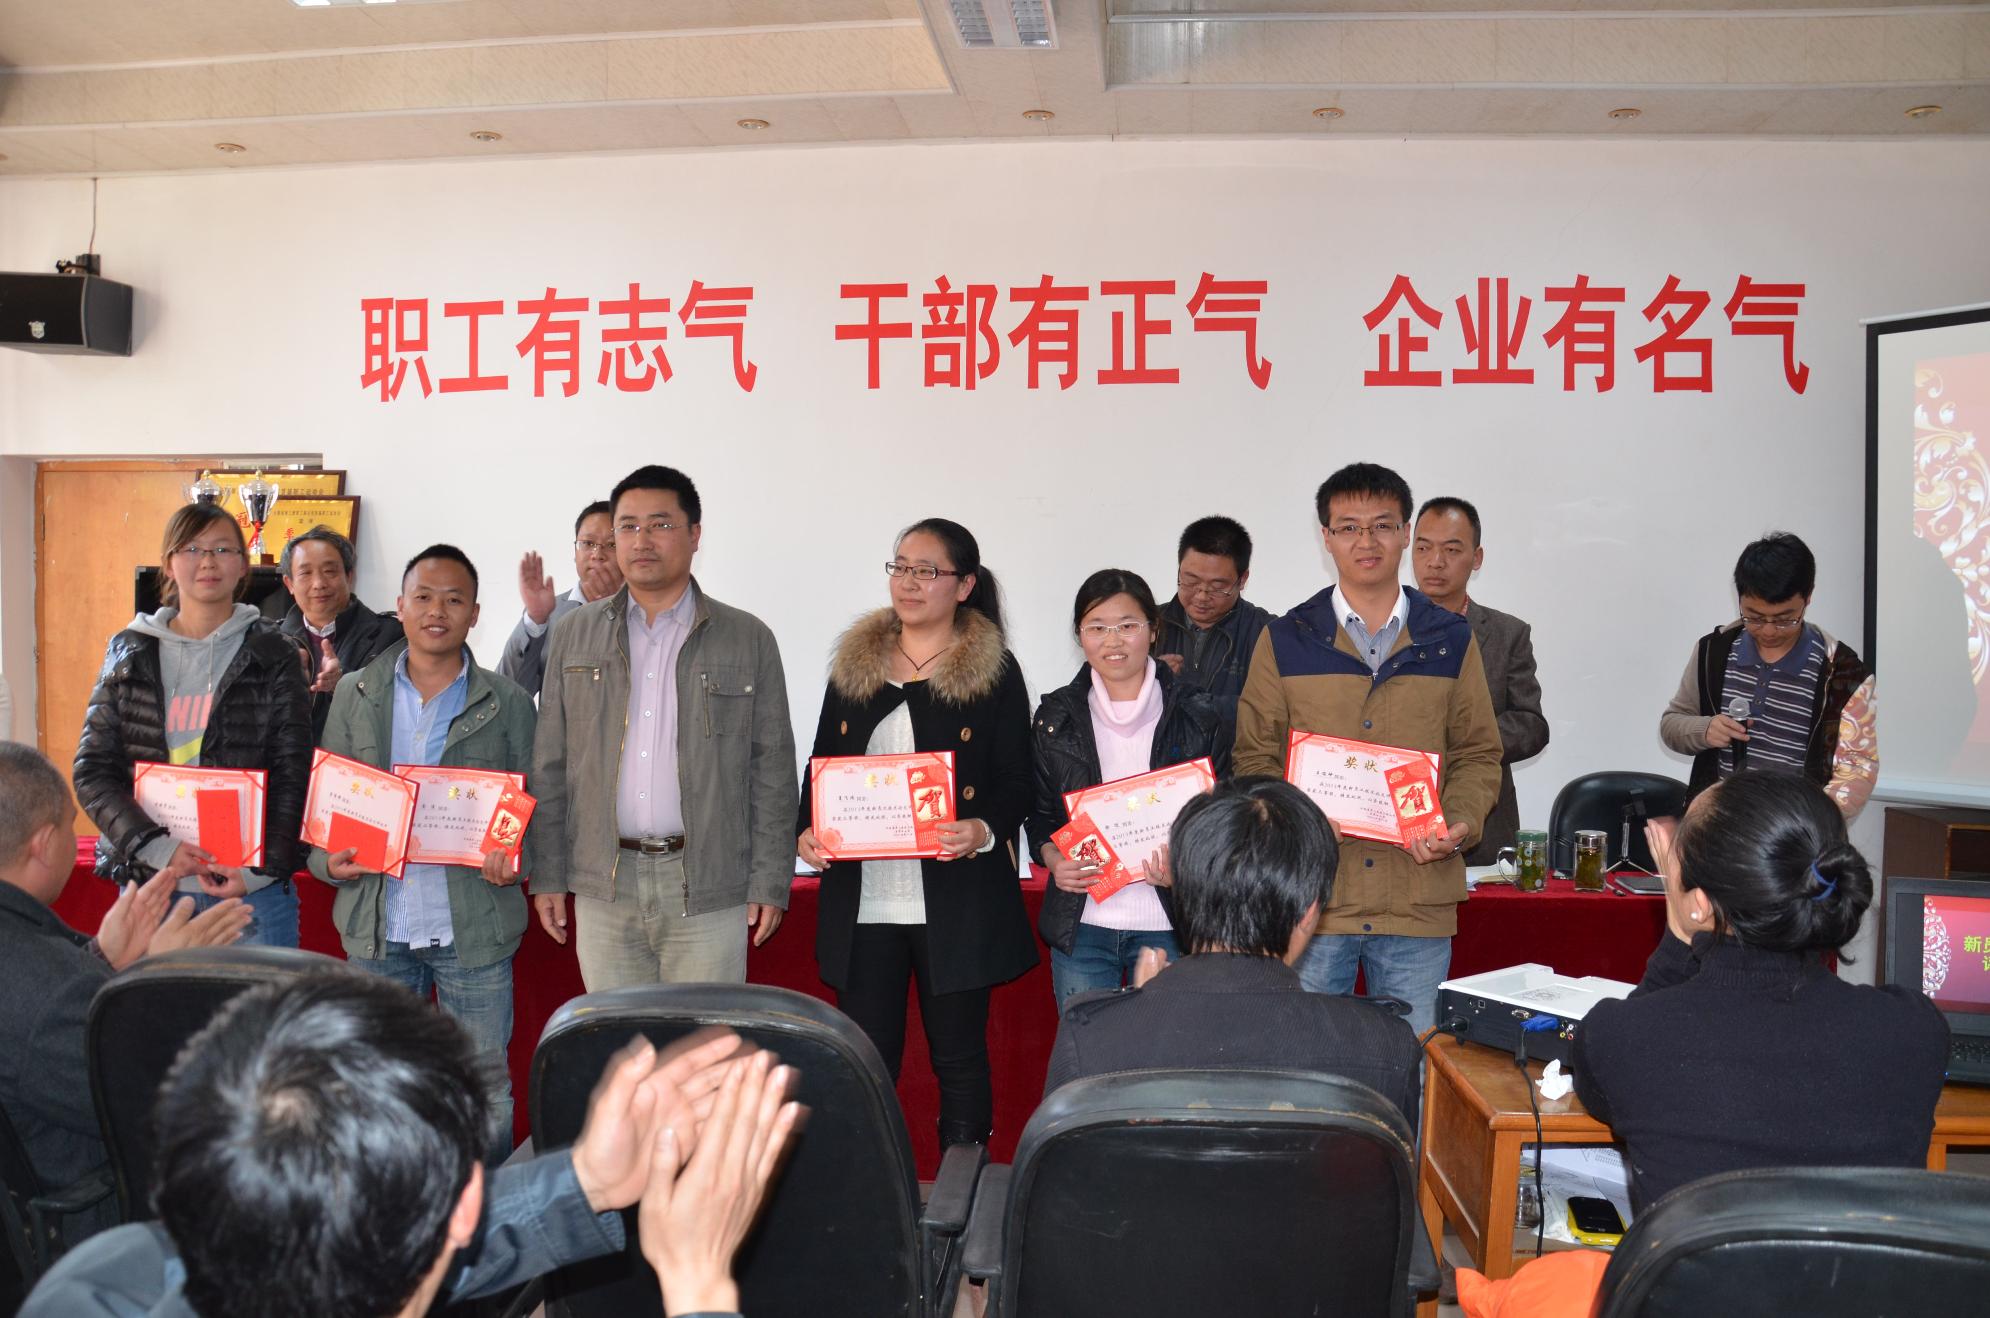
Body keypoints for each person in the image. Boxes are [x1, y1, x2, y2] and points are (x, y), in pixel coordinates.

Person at [24, 973, 800, 1318]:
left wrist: (588, 1181)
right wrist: (700, 1287)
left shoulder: (99, 1278)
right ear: (467, 1203)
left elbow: (368, 1247)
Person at [1574, 771, 1948, 1211]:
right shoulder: (1914, 1029)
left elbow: (1608, 1090)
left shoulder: (1624, 1036)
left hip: (1702, 1261)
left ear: (1700, 902)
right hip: (1864, 1260)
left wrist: (1679, 935)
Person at [1233, 463, 1502, 1036]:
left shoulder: (1450, 639)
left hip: (1417, 897)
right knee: (1307, 1063)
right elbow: (1255, 759)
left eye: (1382, 525)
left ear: (1405, 533)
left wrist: (1458, 822)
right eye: (1349, 528)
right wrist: (1298, 821)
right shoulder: (1286, 638)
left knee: (1416, 1064)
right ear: (1326, 538)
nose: (1366, 541)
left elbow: (1478, 752)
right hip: (1314, 900)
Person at [796, 518, 1038, 1149]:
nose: (908, 582)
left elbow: (1019, 779)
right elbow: (821, 767)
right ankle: (869, 1191)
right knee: (864, 1062)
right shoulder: (856, 665)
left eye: (927, 571)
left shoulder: (993, 671)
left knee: (959, 1059)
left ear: (965, 585)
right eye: (900, 567)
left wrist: (983, 828)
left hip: (955, 898)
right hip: (865, 898)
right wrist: (806, 833)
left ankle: (963, 1192)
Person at [307, 545, 535, 1159]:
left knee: (481, 1091)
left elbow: (533, 806)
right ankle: (393, 1209)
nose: (438, 611)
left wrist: (513, 857)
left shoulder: (509, 703)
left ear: (475, 613)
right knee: (375, 1091)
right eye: (425, 597)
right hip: (378, 928)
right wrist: (328, 862)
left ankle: (485, 1211)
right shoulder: (354, 693)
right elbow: (325, 806)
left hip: (473, 929)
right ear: (400, 607)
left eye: (454, 600)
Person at [531, 466, 797, 989]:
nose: (641, 540)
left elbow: (772, 769)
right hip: (605, 883)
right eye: (627, 527)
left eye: (660, 525)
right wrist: (548, 873)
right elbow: (551, 763)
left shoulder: (747, 638)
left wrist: (770, 879)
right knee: (618, 1036)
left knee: (703, 1036)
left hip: (707, 883)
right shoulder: (574, 634)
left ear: (695, 535)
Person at [1042, 776, 1421, 1126]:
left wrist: (1141, 1020)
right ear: (1309, 912)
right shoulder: (1386, 1045)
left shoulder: (1091, 1038)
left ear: (1182, 893)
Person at [0, 742, 249, 1248]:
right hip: (91, 1226)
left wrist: (103, 961)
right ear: (44, 844)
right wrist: (159, 982)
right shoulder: (50, 989)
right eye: (70, 826)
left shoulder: (40, 970)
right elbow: (163, 1104)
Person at [73, 503, 314, 947]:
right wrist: (158, 849)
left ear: (242, 564)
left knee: (260, 998)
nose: (207, 561)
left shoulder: (275, 652)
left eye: (222, 549)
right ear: (169, 563)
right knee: (157, 997)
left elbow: (295, 771)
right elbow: (92, 771)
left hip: (250, 893)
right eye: (192, 549)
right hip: (153, 887)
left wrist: (256, 871)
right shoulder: (129, 650)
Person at [1029, 568, 1231, 1008]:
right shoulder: (1054, 719)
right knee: (1087, 1048)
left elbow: (1224, 819)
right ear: (1080, 636)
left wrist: (1188, 866)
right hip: (1083, 925)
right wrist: (1054, 859)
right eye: (1097, 628)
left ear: (1153, 631)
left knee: (1167, 1046)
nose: (1113, 641)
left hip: (1170, 923)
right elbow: (1041, 817)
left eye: (1127, 626)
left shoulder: (1199, 714)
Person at [1660, 532, 1878, 818]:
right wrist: (1705, 729)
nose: (1769, 630)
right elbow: (1672, 725)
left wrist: (1814, 822)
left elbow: (1857, 766)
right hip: (1716, 827)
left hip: (1792, 832)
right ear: (1739, 598)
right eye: (1755, 617)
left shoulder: (1844, 673)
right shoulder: (1713, 652)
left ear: (1808, 597)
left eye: (1785, 619)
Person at [1410, 496, 1549, 864]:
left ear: (1477, 558)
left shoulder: (1507, 633)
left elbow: (1531, 725)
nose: (1435, 561)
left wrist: (1460, 742)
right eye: (1423, 548)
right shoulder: (1383, 629)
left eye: (1451, 549)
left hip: (1483, 827)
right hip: (1399, 824)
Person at [275, 525, 403, 742]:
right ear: (289, 584)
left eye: (330, 571)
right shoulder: (270, 641)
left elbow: (401, 712)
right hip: (287, 760)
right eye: (306, 573)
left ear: (349, 576)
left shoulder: (391, 636)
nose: (319, 584)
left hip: (354, 760)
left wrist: (344, 685)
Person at [1153, 515, 1272, 724]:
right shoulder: (1146, 627)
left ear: (1242, 580)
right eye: (1191, 581)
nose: (1201, 596)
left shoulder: (1268, 633)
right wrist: (1146, 678)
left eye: (1217, 587)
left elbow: (1270, 710)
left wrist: (1196, 705)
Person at [501, 500, 625, 697]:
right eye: (588, 544)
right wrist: (534, 620)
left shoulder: (646, 611)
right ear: (575, 552)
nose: (597, 554)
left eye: (612, 545)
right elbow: (508, 694)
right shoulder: (549, 614)